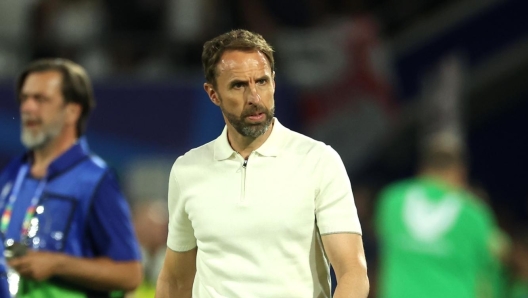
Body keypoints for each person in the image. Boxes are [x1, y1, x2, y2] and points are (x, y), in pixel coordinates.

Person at [155, 29, 369, 298]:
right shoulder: (186, 170)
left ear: (274, 83)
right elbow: (175, 281)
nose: (254, 98)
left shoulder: (319, 161)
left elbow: (352, 273)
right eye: (238, 85)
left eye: (262, 82)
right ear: (213, 94)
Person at [0, 58, 142, 297]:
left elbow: (130, 274)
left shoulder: (94, 179)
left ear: (72, 111)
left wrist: (57, 264)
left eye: (41, 99)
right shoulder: (14, 171)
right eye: (25, 98)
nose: (28, 108)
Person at [374, 133, 508, 298]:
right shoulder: (474, 213)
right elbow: (498, 257)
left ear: (422, 168)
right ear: (460, 172)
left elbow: (380, 247)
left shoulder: (391, 200)